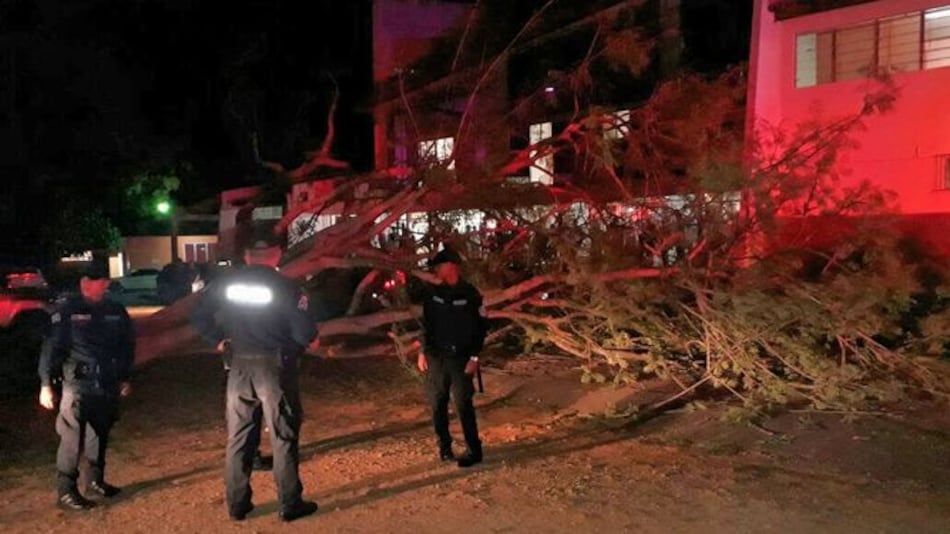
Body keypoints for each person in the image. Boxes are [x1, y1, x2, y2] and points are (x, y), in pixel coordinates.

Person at [190, 237, 318, 522]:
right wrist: (300, 345)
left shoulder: (227, 284)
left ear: (247, 257)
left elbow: (199, 315)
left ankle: (237, 504)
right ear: (276, 255)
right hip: (274, 367)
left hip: (239, 366)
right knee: (283, 435)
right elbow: (304, 332)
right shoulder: (286, 287)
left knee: (238, 437)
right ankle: (290, 503)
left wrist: (218, 340)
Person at [37, 262, 135, 511]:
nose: (104, 285)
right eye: (98, 280)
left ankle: (95, 481)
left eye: (105, 280)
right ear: (84, 283)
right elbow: (51, 349)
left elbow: (126, 346)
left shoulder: (115, 310)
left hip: (107, 381)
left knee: (99, 433)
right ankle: (66, 491)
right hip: (77, 382)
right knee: (71, 437)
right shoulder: (67, 311)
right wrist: (46, 384)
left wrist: (125, 377)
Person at [417, 247, 488, 468]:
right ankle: (444, 447)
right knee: (438, 403)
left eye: (440, 266)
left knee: (463, 404)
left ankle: (473, 450)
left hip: (461, 357)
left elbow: (480, 328)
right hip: (436, 356)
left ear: (451, 266)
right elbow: (426, 324)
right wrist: (422, 351)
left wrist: (474, 357)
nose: (437, 270)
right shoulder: (433, 293)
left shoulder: (470, 294)